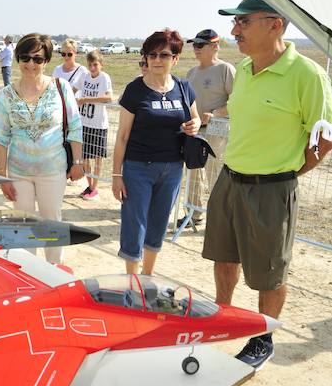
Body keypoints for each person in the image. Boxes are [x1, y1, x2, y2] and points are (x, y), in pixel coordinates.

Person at [203, 0, 332, 368]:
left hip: (272, 188)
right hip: (230, 180)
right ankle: (222, 316)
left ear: (274, 24)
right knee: (223, 258)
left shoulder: (307, 75)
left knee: (269, 274)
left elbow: (323, 138)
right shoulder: (243, 70)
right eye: (235, 23)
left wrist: (288, 171)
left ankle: (263, 337)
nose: (234, 30)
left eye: (243, 22)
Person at [112, 29, 201, 276]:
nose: (157, 60)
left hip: (172, 168)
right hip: (138, 168)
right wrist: (116, 175)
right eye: (151, 55)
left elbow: (195, 120)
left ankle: (147, 278)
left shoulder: (183, 87)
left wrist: (194, 125)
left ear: (176, 58)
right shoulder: (135, 90)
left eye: (164, 54)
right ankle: (132, 281)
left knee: (159, 223)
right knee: (135, 223)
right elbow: (122, 136)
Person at [0, 33, 83, 264]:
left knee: (51, 222)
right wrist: (1, 175)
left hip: (52, 170)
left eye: (38, 59)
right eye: (25, 57)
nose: (31, 64)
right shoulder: (5, 95)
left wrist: (78, 163)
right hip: (19, 172)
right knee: (23, 225)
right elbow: (1, 136)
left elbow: (74, 126)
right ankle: (27, 273)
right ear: (17, 58)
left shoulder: (60, 87)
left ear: (46, 61)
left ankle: (54, 273)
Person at [179, 28, 236, 226]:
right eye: (194, 45)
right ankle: (194, 214)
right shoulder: (191, 72)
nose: (196, 49)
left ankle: (220, 217)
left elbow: (238, 100)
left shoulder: (225, 69)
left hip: (217, 130)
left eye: (200, 45)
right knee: (193, 172)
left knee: (215, 172)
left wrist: (215, 114)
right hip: (195, 130)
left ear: (215, 46)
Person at [77, 50, 113, 199]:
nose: (92, 68)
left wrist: (86, 100)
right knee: (84, 157)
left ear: (101, 65)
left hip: (98, 125)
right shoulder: (84, 76)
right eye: (90, 65)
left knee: (98, 157)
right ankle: (90, 185)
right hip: (84, 123)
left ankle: (94, 188)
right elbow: (73, 89)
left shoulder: (104, 78)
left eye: (95, 65)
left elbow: (109, 97)